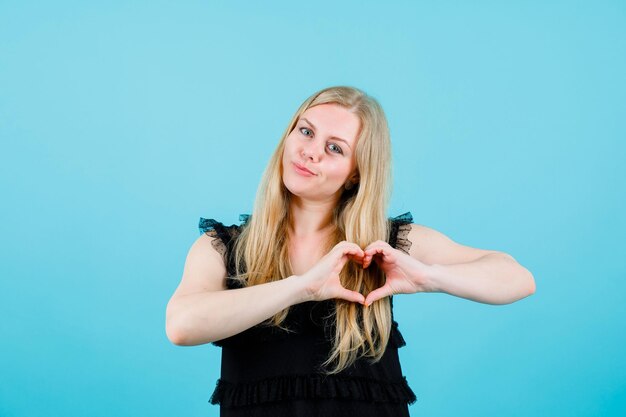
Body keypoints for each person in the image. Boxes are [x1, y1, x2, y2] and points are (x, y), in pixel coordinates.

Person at [165, 86, 536, 417]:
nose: (310, 152)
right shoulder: (222, 247)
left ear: (356, 173)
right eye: (306, 132)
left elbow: (518, 278)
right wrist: (302, 287)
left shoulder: (385, 244)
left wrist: (429, 277)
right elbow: (181, 325)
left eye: (335, 148)